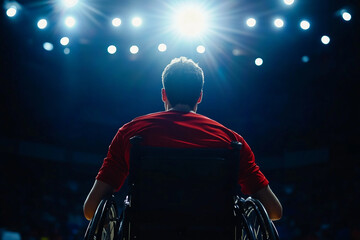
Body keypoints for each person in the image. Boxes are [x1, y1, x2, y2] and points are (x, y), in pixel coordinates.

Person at [83, 56, 282, 221]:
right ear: (200, 96)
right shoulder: (232, 141)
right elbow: (274, 211)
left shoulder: (130, 133)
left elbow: (90, 209)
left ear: (163, 94)